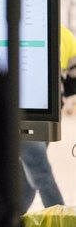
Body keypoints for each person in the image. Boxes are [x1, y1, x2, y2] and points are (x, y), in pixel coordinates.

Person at [20, 24, 76, 211]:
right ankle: (15, 216)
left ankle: (60, 218)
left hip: (29, 111)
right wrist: (61, 92)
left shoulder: (24, 33)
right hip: (48, 112)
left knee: (37, 169)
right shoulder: (65, 34)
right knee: (32, 169)